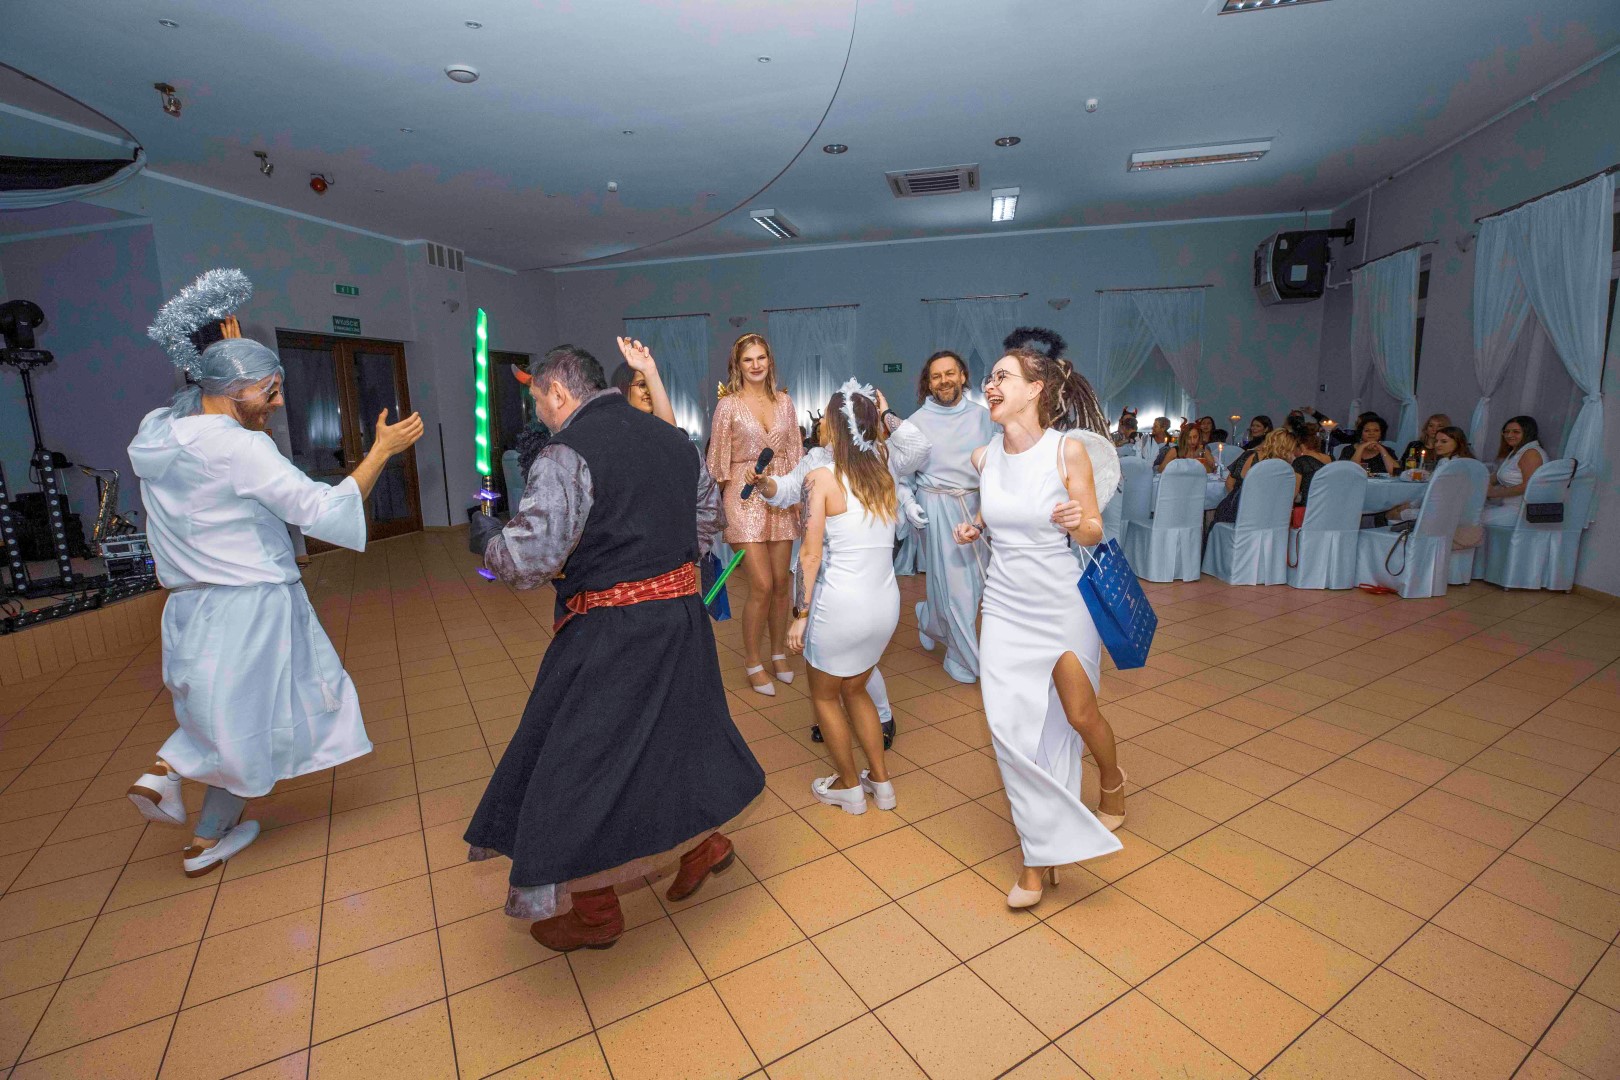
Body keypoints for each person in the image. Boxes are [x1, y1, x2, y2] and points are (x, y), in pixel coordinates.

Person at [125, 269, 424, 877]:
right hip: (249, 604)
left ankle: (204, 836)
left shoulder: (158, 435)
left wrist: (224, 349)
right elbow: (321, 510)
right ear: (234, 391)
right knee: (245, 721)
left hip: (189, 605)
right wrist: (381, 453)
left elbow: (199, 403)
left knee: (243, 717)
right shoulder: (239, 448)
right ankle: (168, 767)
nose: (279, 402)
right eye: (270, 390)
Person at [465, 344, 764, 951]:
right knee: (676, 737)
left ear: (557, 391)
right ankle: (704, 846)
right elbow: (707, 520)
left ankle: (596, 911)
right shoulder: (674, 441)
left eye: (539, 400)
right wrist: (651, 555)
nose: (541, 412)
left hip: (611, 631)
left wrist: (489, 539)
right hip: (680, 620)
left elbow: (530, 559)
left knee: (578, 763)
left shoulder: (565, 453)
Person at [955, 347, 1125, 909]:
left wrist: (1080, 522)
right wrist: (977, 525)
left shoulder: (1066, 449)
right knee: (1009, 732)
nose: (991, 384)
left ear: (1035, 389)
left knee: (1078, 715)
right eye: (990, 378)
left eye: (1003, 376)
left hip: (1060, 605)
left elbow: (1094, 528)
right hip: (1004, 607)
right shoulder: (984, 457)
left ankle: (1112, 778)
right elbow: (1001, 506)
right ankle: (1036, 856)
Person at [784, 381, 902, 815]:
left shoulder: (820, 478)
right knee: (856, 690)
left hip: (840, 608)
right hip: (884, 605)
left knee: (825, 697)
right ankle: (882, 784)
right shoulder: (884, 475)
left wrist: (800, 614)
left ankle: (850, 788)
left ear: (833, 427)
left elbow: (809, 555)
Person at [707, 333, 804, 695]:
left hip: (780, 494)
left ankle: (778, 654)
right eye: (748, 359)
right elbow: (716, 462)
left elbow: (795, 455)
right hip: (743, 497)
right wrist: (709, 512)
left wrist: (799, 501)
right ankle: (752, 661)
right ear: (738, 365)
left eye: (761, 357)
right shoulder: (728, 406)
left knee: (781, 584)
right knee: (761, 584)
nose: (756, 365)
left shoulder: (785, 402)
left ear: (769, 361)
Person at [897, 348, 997, 683]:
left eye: (950, 373)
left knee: (974, 585)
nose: (944, 381)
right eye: (936, 376)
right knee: (958, 589)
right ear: (928, 383)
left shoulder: (985, 417)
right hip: (936, 506)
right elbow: (902, 477)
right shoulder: (914, 424)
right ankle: (963, 659)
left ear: (963, 376)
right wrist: (908, 503)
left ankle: (929, 617)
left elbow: (998, 465)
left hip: (978, 508)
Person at [1212, 428, 1300, 524]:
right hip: (1261, 516)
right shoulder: (1283, 469)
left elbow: (1229, 483)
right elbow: (1290, 496)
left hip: (1237, 510)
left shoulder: (1250, 455)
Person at [1388, 426, 1473, 521]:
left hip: (1443, 514)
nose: (1437, 445)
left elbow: (1434, 494)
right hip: (1454, 511)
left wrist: (1411, 506)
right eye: (1436, 441)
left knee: (1391, 514)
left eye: (1444, 441)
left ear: (1458, 443)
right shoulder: (1465, 462)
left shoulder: (1449, 464)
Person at [1482, 415, 1544, 526]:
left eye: (1516, 432)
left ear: (1528, 433)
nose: (1509, 435)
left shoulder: (1531, 453)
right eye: (1506, 432)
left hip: (1522, 512)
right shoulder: (1517, 452)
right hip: (1508, 507)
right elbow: (1497, 476)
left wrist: (1494, 493)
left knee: (1469, 520)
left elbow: (1529, 485)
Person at [607, 336, 675, 425]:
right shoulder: (611, 427)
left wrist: (650, 370)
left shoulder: (656, 427)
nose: (649, 391)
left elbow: (669, 432)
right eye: (642, 385)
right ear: (623, 388)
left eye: (651, 385)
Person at [1289, 417, 1333, 508]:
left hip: (1308, 509)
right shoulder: (1331, 459)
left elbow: (1293, 494)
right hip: (1328, 506)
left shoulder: (1300, 462)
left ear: (1300, 445)